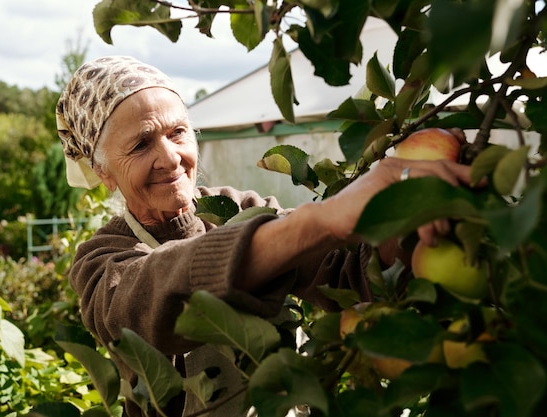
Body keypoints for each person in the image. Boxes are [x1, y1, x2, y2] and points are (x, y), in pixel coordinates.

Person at [55, 56, 478, 417]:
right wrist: (323, 220)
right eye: (142, 144)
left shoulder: (241, 210)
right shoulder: (100, 262)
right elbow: (152, 301)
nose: (170, 157)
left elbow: (350, 269)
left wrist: (406, 216)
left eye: (178, 132)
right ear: (105, 172)